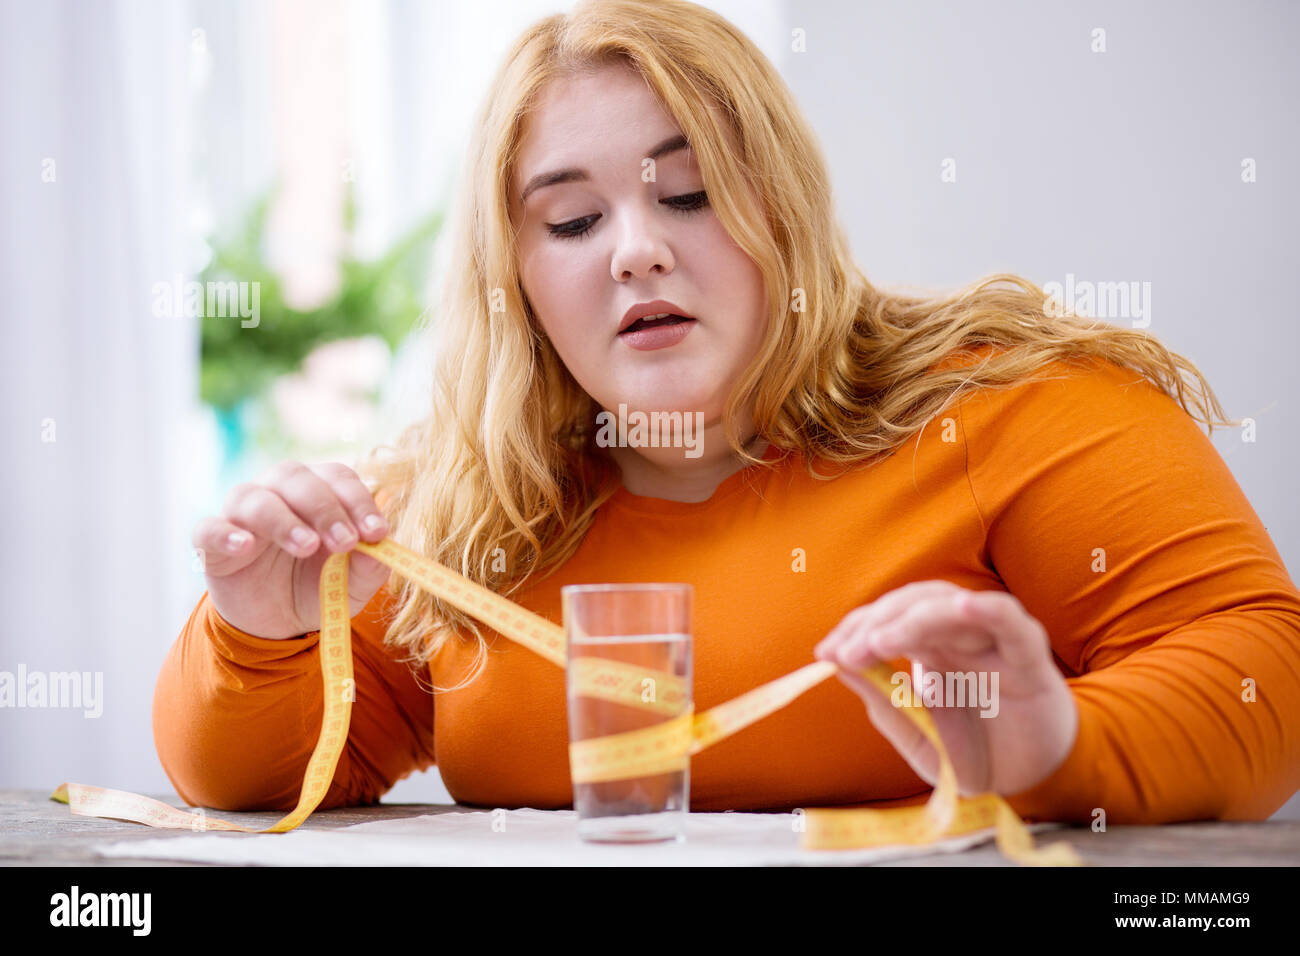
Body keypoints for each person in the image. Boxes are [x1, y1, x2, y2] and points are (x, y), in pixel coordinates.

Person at [158, 0, 1300, 823]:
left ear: (784, 206)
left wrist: (1057, 746)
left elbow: (1262, 673)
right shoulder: (462, 508)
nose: (637, 251)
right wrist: (258, 635)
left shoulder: (1010, 405)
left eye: (690, 191)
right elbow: (249, 776)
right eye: (570, 222)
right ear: (515, 277)